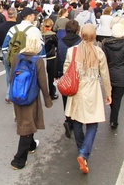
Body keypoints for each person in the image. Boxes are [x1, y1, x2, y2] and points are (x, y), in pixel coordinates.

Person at [64, 24, 112, 174]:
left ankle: (81, 150)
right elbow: (104, 74)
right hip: (93, 90)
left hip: (77, 90)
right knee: (93, 124)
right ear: (94, 36)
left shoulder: (72, 51)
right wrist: (108, 93)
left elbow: (66, 70)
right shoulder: (99, 52)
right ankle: (84, 153)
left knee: (77, 121)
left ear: (81, 34)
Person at [10, 34, 53, 170]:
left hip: (18, 95)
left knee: (26, 120)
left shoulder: (17, 57)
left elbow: (11, 77)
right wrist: (47, 99)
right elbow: (43, 82)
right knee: (27, 126)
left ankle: (32, 145)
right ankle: (18, 161)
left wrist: (13, 94)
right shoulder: (37, 60)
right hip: (30, 96)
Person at [102, 24, 124, 128]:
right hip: (121, 74)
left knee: (109, 95)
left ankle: (113, 114)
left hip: (109, 74)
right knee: (117, 98)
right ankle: (113, 119)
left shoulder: (106, 44)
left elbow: (103, 60)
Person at [56, 20, 82, 138]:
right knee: (77, 97)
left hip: (64, 73)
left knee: (66, 98)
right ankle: (76, 119)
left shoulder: (61, 41)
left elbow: (58, 58)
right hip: (77, 74)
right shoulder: (80, 42)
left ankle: (68, 119)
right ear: (77, 30)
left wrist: (56, 74)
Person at [0, 7, 18, 103]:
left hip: (5, 51)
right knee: (16, 72)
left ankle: (9, 90)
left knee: (8, 72)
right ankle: (10, 93)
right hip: (15, 51)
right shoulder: (18, 26)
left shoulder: (1, 26)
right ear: (16, 15)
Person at [41, 18, 58, 100]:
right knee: (51, 77)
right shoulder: (53, 35)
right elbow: (57, 44)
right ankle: (52, 93)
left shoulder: (40, 34)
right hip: (51, 57)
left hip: (41, 58)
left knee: (40, 77)